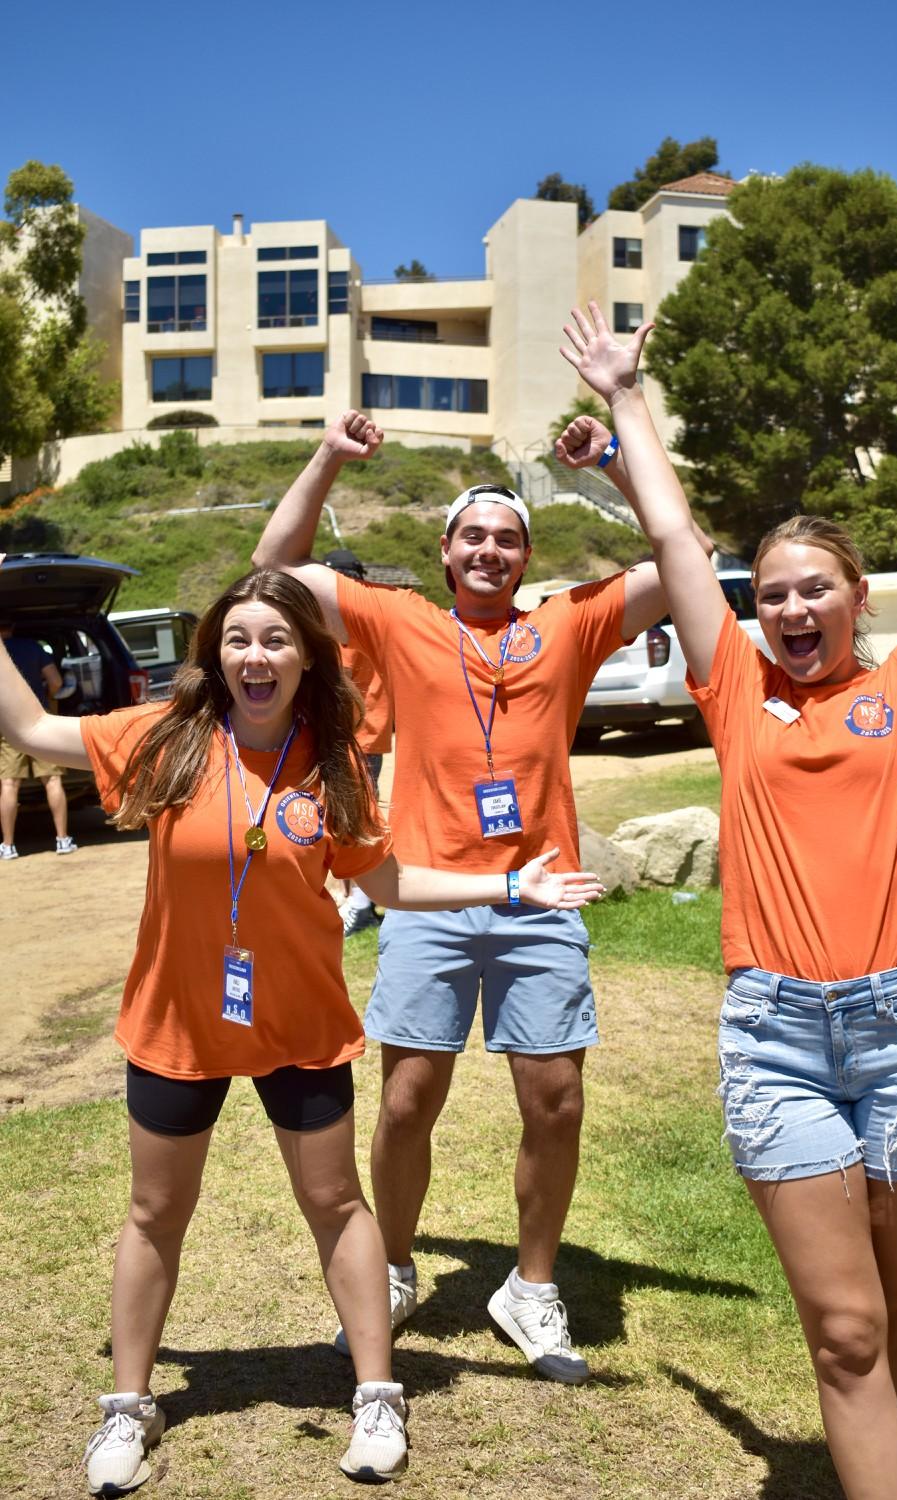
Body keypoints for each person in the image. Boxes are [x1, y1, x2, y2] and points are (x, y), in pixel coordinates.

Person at [0, 561, 601, 1493]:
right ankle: (128, 1408)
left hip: (299, 1024)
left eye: (276, 639)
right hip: (180, 1025)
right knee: (156, 1213)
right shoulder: (168, 739)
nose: (255, 655)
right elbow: (32, 727)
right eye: (237, 638)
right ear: (215, 655)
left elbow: (389, 883)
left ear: (306, 657)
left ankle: (376, 1395)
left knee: (335, 1205)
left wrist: (515, 884)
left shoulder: (333, 760)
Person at [560, 302, 897, 1500]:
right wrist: (624, 397)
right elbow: (675, 535)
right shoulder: (731, 689)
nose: (792, 610)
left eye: (816, 591)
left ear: (858, 597)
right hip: (777, 1039)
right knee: (845, 1327)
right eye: (775, 595)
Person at [253, 411, 711, 1385]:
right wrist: (331, 457)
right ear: (446, 550)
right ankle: (394, 1266)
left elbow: (687, 559)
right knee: (408, 1099)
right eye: (474, 535)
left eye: (507, 536)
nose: (490, 549)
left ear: (525, 554)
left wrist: (616, 463)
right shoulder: (400, 617)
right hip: (427, 897)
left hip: (542, 898)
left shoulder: (568, 623)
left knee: (555, 1101)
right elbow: (272, 570)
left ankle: (530, 1287)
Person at [323, 549, 393, 938]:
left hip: (351, 737)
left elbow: (339, 681)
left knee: (352, 819)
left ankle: (360, 902)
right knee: (350, 816)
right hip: (370, 735)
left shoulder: (343, 624)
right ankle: (350, 895)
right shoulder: (374, 614)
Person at [0, 620, 77, 858]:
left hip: (9, 726)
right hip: (41, 722)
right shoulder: (34, 648)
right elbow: (55, 682)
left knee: (9, 784)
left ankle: (8, 846)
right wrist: (47, 697)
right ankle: (63, 840)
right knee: (52, 780)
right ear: (13, 626)